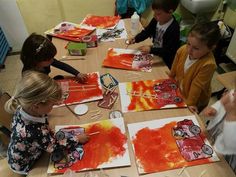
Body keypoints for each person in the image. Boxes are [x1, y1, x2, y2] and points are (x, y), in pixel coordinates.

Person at [4, 71, 89, 175]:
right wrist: (77, 139)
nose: (53, 108)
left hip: (24, 149)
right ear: (36, 106)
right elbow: (55, 147)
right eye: (52, 105)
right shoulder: (34, 131)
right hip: (25, 163)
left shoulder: (24, 107)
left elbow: (42, 129)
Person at [168, 21, 221, 113]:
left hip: (196, 100)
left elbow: (197, 86)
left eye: (196, 48)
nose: (189, 49)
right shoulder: (183, 49)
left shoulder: (208, 64)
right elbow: (174, 67)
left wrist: (190, 103)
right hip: (181, 90)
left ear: (211, 48)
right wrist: (170, 78)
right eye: (188, 43)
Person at [127, 0, 180, 69]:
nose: (154, 16)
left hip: (165, 61)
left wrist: (151, 50)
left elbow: (168, 51)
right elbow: (147, 32)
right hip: (155, 53)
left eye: (158, 14)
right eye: (154, 13)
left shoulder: (174, 29)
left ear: (170, 12)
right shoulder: (156, 20)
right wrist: (136, 39)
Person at [20, 33, 88, 82]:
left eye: (52, 57)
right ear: (36, 60)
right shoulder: (30, 77)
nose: (52, 60)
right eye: (49, 59)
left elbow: (60, 65)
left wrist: (77, 73)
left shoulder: (43, 60)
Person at [201, 88, 236, 173]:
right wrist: (211, 110)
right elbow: (215, 107)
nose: (233, 94)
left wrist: (232, 114)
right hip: (210, 138)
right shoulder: (232, 95)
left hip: (226, 158)